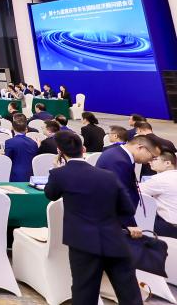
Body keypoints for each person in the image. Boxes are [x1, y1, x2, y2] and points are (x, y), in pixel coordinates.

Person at [44, 130, 143, 305]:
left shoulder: (59, 174)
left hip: (83, 242)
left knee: (84, 292)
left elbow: (51, 194)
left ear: (59, 151)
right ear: (83, 149)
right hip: (114, 239)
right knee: (129, 293)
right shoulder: (108, 175)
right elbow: (127, 208)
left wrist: (56, 169)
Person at [96, 134, 160, 226]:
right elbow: (118, 196)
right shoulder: (118, 161)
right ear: (140, 148)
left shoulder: (120, 154)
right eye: (152, 156)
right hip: (114, 219)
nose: (151, 161)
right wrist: (129, 224)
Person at [140, 151, 177, 238]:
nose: (150, 162)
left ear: (167, 163)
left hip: (170, 227)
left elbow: (135, 190)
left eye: (155, 159)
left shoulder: (160, 179)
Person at [4, 115, 39, 182]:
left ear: (12, 128)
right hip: (31, 174)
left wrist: (3, 154)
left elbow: (7, 159)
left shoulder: (9, 142)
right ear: (26, 129)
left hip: (16, 175)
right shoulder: (33, 142)